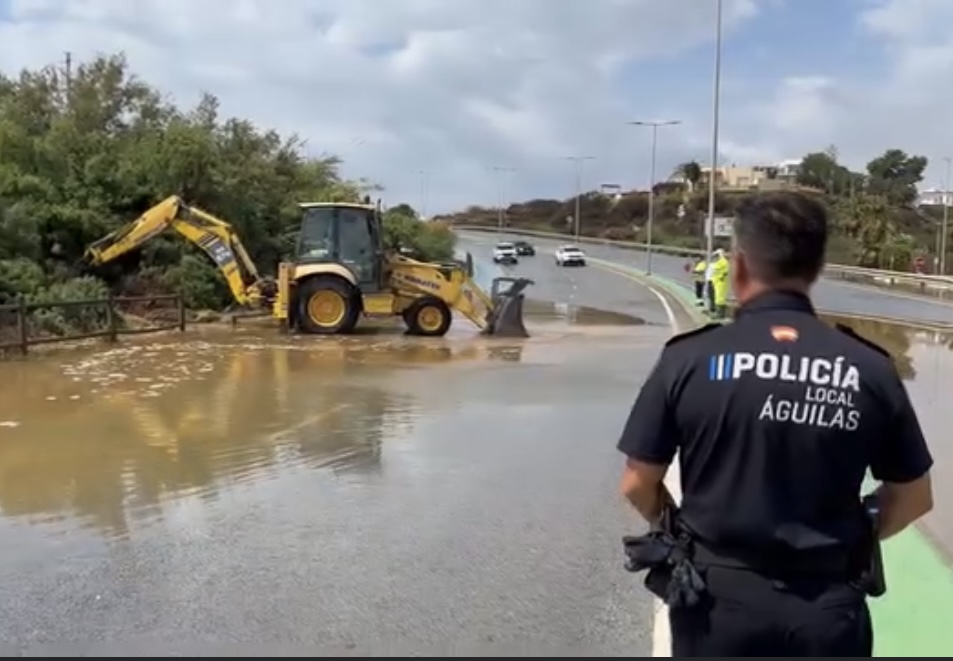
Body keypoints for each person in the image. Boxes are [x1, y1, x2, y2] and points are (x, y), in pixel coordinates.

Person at [616, 191, 934, 657]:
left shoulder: (689, 358)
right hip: (827, 606)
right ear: (816, 269)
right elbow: (914, 497)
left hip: (716, 605)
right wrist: (852, 540)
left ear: (740, 266)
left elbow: (637, 483)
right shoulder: (869, 368)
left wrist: (681, 535)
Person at [710, 249, 730, 319]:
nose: (715, 256)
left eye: (716, 255)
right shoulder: (719, 261)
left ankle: (720, 314)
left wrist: (721, 277)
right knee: (718, 297)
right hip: (717, 281)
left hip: (720, 282)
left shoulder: (723, 261)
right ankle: (719, 313)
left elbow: (725, 271)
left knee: (720, 298)